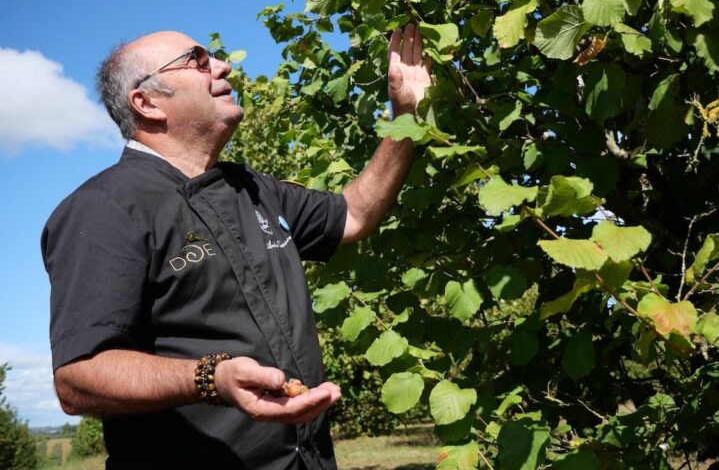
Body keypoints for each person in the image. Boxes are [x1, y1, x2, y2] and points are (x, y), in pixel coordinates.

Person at [41, 24, 431, 469]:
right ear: (146, 102)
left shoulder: (252, 189)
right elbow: (78, 379)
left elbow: (354, 215)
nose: (224, 66)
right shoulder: (103, 208)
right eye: (198, 61)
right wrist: (212, 377)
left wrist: (408, 116)